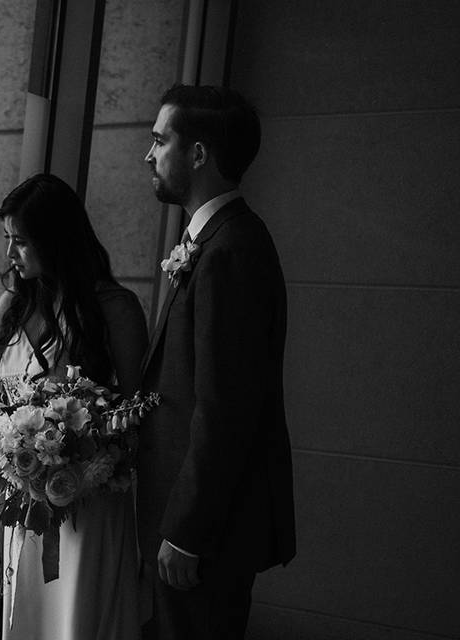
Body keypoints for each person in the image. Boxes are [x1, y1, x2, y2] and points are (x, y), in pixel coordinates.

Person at [136, 84, 296, 638]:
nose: (149, 155)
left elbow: (225, 409)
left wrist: (186, 533)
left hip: (207, 531)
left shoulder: (232, 251)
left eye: (160, 140)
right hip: (194, 520)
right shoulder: (219, 241)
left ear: (198, 154)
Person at [0, 173, 149, 640]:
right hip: (26, 508)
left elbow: (139, 418)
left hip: (89, 511)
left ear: (57, 241)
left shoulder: (117, 309)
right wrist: (10, 451)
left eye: (22, 241)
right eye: (7, 239)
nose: (10, 253)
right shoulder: (10, 304)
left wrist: (81, 450)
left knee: (77, 623)